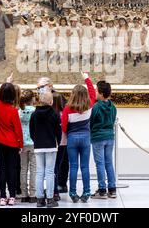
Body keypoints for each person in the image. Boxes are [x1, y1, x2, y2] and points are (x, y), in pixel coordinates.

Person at [61, 72, 96, 203]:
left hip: (72, 138)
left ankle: (73, 193)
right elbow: (92, 94)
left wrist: (69, 131)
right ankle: (86, 191)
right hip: (86, 138)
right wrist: (86, 78)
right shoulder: (89, 105)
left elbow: (64, 127)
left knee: (74, 166)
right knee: (85, 167)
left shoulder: (67, 109)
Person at [30, 91, 62, 208]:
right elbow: (58, 132)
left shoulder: (34, 114)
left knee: (39, 172)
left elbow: (31, 131)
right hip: (51, 146)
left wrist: (36, 141)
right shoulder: (54, 114)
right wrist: (58, 142)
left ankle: (39, 199)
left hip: (38, 146)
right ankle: (50, 199)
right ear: (51, 101)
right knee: (49, 172)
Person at [0, 81, 23, 206]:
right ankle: (12, 196)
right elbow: (18, 130)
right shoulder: (13, 111)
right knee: (12, 169)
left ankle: (2, 196)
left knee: (3, 168)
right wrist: (20, 144)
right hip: (12, 143)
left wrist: (7, 81)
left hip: (0, 141)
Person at [90, 81, 117, 199]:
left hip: (98, 137)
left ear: (101, 93)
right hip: (110, 137)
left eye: (96, 91)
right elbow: (112, 120)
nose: (95, 92)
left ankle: (102, 189)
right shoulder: (113, 106)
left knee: (100, 164)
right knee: (109, 163)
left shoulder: (96, 106)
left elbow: (91, 122)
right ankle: (112, 188)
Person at [18, 90, 37, 203]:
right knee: (34, 169)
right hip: (34, 142)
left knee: (23, 169)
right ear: (32, 100)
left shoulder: (19, 111)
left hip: (22, 142)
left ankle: (24, 194)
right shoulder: (35, 111)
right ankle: (33, 193)